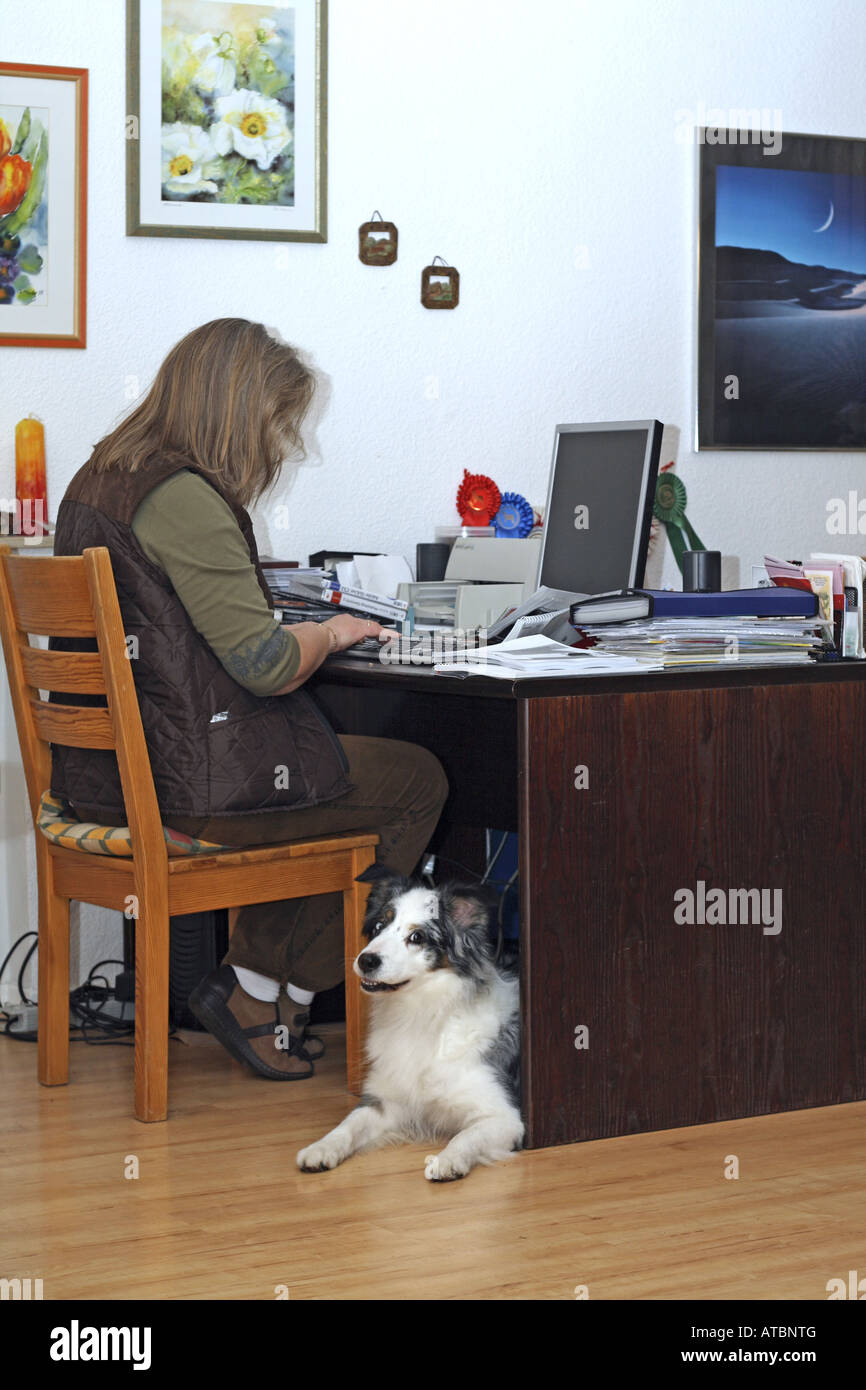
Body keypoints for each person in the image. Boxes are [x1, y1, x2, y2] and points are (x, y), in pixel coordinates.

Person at [49, 317, 449, 1079]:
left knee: (327, 781)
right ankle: (272, 991)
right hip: (182, 788)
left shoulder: (100, 478)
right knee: (413, 780)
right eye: (281, 424)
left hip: (102, 779)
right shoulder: (181, 497)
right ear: (237, 413)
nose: (288, 447)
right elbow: (265, 664)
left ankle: (261, 987)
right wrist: (330, 634)